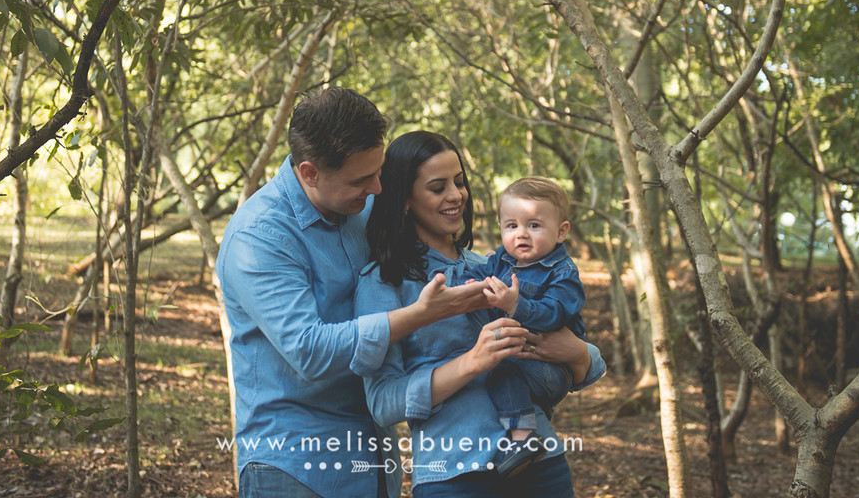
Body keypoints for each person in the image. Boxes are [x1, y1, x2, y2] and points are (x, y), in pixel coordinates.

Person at [215, 87, 488, 498]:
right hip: (294, 465)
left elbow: (431, 252)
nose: (378, 188)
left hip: (373, 459)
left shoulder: (361, 205)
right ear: (309, 173)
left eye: (379, 171)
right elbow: (309, 350)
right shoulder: (259, 237)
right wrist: (419, 314)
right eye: (362, 179)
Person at [355, 131, 606, 497]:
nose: (456, 195)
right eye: (438, 187)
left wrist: (580, 354)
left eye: (459, 182)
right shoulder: (383, 281)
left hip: (542, 464)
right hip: (455, 475)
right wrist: (472, 362)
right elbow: (382, 403)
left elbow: (585, 361)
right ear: (405, 199)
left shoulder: (498, 265)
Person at [462, 176, 590, 477]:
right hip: (527, 361)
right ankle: (526, 427)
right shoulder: (503, 259)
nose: (521, 234)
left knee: (501, 368)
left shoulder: (563, 271)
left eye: (534, 225)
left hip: (554, 370)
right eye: (511, 225)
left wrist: (513, 305)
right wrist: (471, 285)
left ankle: (523, 439)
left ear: (561, 232)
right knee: (499, 365)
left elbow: (554, 315)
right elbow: (483, 273)